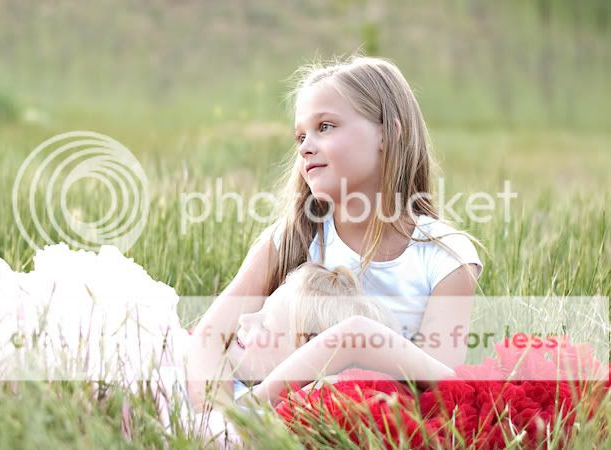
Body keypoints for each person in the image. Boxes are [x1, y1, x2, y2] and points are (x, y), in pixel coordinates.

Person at [186, 53, 483, 409]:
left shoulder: (444, 257)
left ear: (388, 133)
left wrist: (356, 341)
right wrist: (222, 420)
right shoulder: (292, 238)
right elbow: (209, 339)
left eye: (325, 127)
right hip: (272, 413)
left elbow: (442, 389)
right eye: (300, 136)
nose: (305, 147)